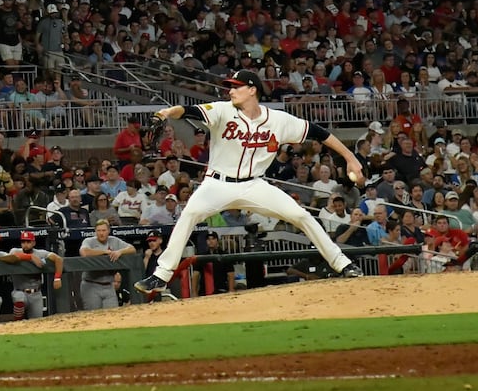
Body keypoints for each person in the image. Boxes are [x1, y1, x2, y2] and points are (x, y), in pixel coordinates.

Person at [137, 71, 366, 299]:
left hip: (254, 185)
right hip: (217, 184)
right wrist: (166, 112)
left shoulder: (277, 120)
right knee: (189, 215)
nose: (231, 91)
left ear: (252, 90)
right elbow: (188, 111)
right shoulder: (222, 110)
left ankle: (343, 264)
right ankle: (161, 275)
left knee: (301, 215)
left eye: (237, 87)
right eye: (230, 87)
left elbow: (319, 132)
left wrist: (350, 158)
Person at [78, 219, 135, 310]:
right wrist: (104, 252)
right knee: (93, 315)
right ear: (95, 231)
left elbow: (132, 249)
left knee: (113, 314)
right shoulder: (89, 241)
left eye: (104, 230)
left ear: (108, 231)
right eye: (99, 231)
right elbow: (84, 252)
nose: (101, 233)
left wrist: (120, 251)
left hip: (109, 285)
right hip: (91, 284)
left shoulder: (114, 241)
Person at [7, 230, 62, 320]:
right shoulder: (15, 250)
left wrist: (57, 278)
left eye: (28, 242)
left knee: (37, 321)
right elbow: (10, 257)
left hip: (36, 293)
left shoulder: (40, 253)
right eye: (23, 242)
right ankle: (17, 323)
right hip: (19, 291)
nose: (25, 244)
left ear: (34, 243)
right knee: (19, 300)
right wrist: (30, 257)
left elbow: (58, 259)